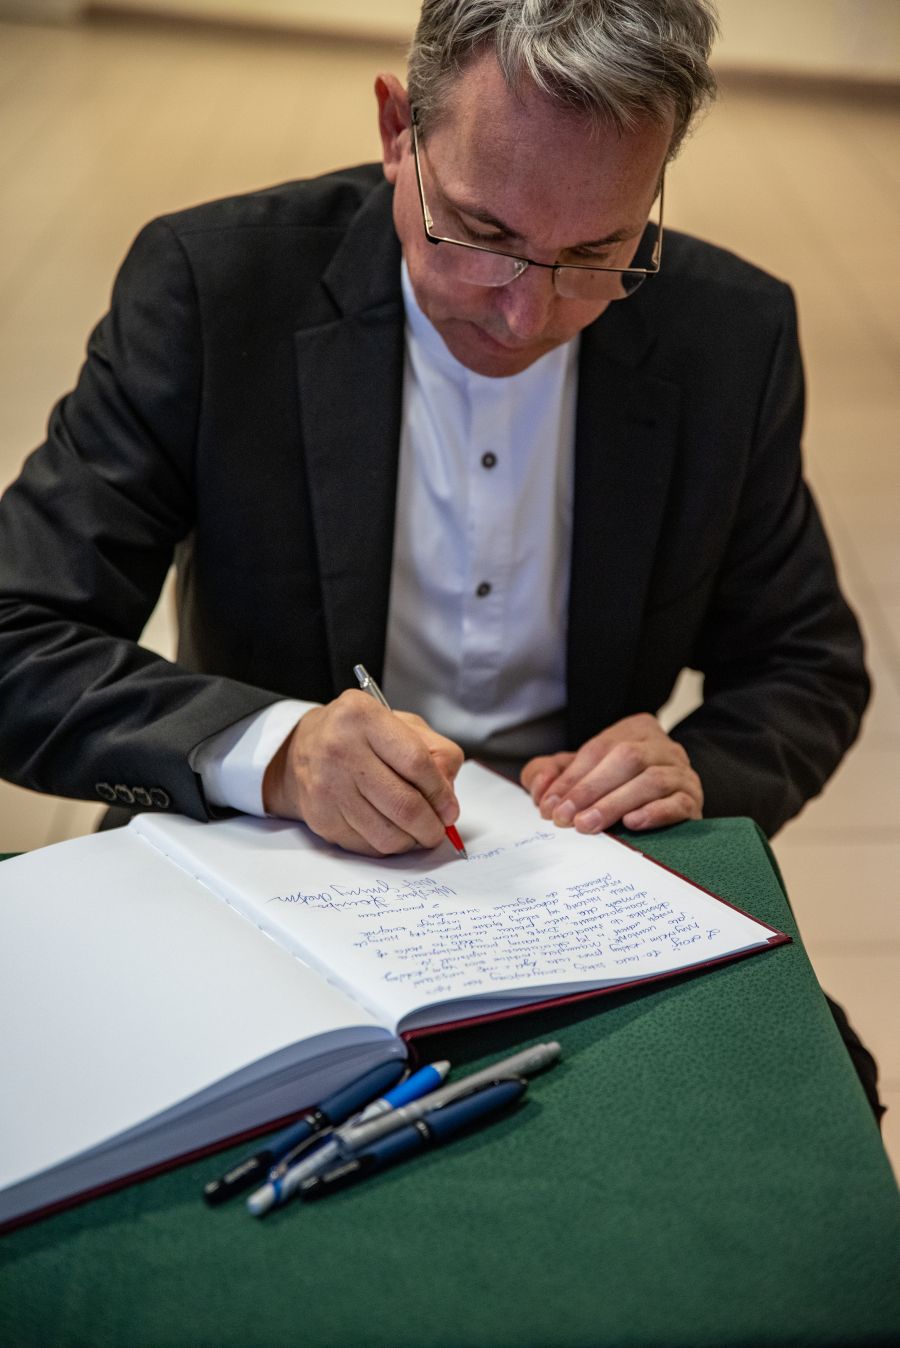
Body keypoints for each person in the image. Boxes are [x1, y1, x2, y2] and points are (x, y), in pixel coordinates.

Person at [0, 3, 880, 1112]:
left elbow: (808, 665)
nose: (525, 314)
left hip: (575, 891)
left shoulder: (729, 336)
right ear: (397, 131)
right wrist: (274, 751)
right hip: (256, 858)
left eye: (594, 255)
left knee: (810, 1102)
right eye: (481, 234)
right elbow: (18, 634)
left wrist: (696, 768)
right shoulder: (216, 289)